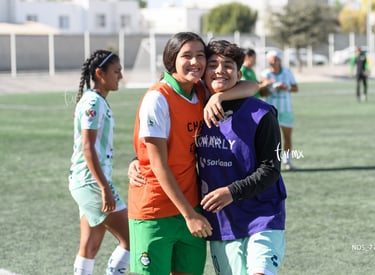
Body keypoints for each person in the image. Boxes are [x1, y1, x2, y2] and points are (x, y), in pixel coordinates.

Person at [128, 32, 258, 275]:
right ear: (171, 60)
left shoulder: (199, 92)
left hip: (192, 207)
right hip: (155, 212)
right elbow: (158, 165)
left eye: (200, 56)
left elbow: (253, 86)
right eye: (187, 56)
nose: (195, 62)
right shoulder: (157, 98)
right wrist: (190, 215)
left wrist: (219, 95)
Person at [196, 39, 286, 275]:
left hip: (262, 215)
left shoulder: (261, 114)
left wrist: (231, 192)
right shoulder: (195, 111)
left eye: (227, 65)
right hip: (222, 222)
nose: (219, 70)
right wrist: (137, 160)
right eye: (213, 64)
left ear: (238, 72)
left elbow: (271, 169)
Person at [69, 50, 130, 275]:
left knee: (90, 244)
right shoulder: (93, 101)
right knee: (131, 239)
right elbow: (88, 147)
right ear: (99, 73)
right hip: (91, 182)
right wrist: (104, 187)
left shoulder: (96, 100)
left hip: (85, 181)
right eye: (116, 71)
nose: (120, 76)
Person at [260, 50, 298, 170]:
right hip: (271, 111)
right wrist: (272, 89)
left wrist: (286, 88)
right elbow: (261, 92)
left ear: (279, 60)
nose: (272, 62)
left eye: (275, 59)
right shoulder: (265, 74)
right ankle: (270, 163)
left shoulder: (287, 72)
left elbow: (295, 88)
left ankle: (287, 161)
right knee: (270, 139)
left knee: (287, 136)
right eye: (270, 60)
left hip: (286, 110)